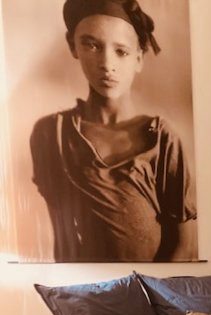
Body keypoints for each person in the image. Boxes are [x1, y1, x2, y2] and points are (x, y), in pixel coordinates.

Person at [29, 0, 197, 262]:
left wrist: (148, 286)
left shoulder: (160, 138)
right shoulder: (53, 134)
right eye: (92, 45)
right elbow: (64, 243)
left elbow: (182, 246)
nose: (107, 64)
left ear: (139, 58)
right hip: (89, 284)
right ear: (73, 46)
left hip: (150, 284)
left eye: (121, 51)